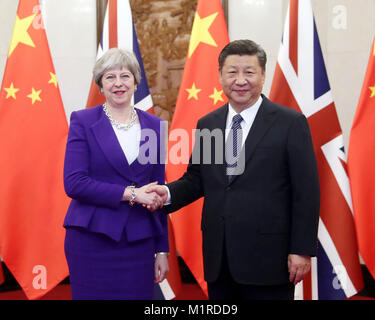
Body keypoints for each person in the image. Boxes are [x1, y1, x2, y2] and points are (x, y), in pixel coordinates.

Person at [147, 40, 320, 300]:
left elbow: (306, 192)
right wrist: (166, 194)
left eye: (249, 72)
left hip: (269, 258)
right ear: (220, 76)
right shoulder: (209, 123)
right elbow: (197, 180)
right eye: (232, 72)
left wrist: (301, 249)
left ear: (263, 75)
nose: (240, 80)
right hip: (220, 258)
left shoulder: (289, 123)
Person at [63, 48, 169, 300]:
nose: (118, 83)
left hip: (139, 242)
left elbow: (159, 191)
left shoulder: (156, 126)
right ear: (100, 84)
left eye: (125, 76)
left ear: (135, 82)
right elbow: (74, 183)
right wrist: (131, 193)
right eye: (110, 77)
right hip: (91, 239)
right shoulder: (83, 121)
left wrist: (162, 250)